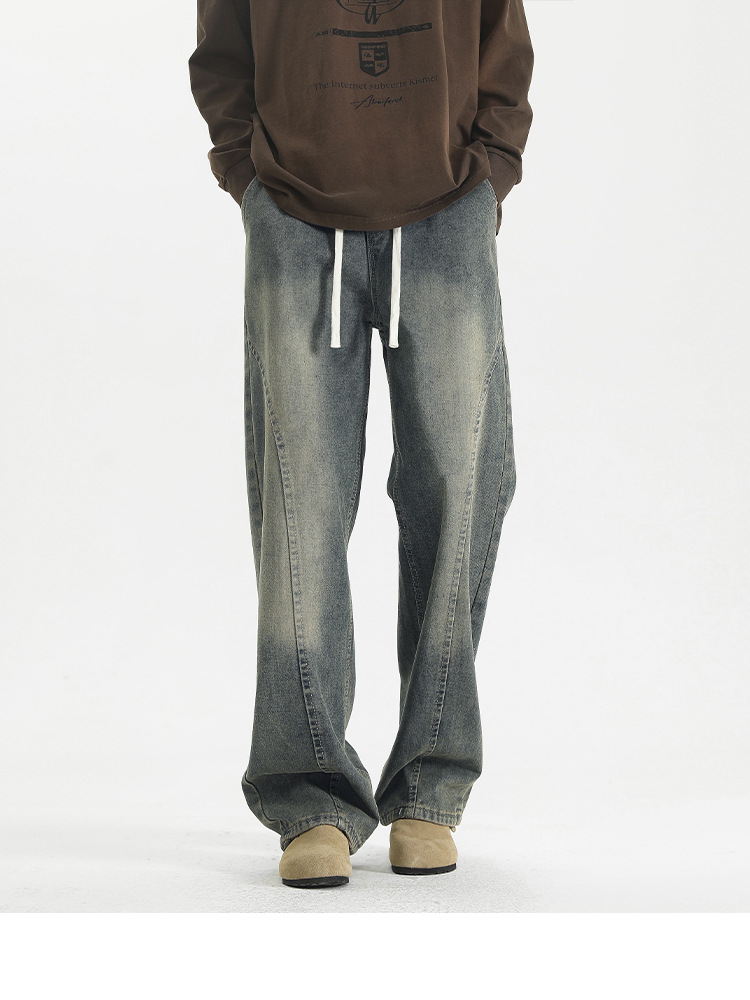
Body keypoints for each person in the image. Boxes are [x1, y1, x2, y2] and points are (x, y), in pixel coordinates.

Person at [188, 0, 534, 889]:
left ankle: (430, 786)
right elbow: (221, 51)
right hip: (295, 217)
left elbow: (502, 40)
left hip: (447, 211)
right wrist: (249, 178)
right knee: (298, 505)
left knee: (459, 490)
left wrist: (491, 171)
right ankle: (310, 797)